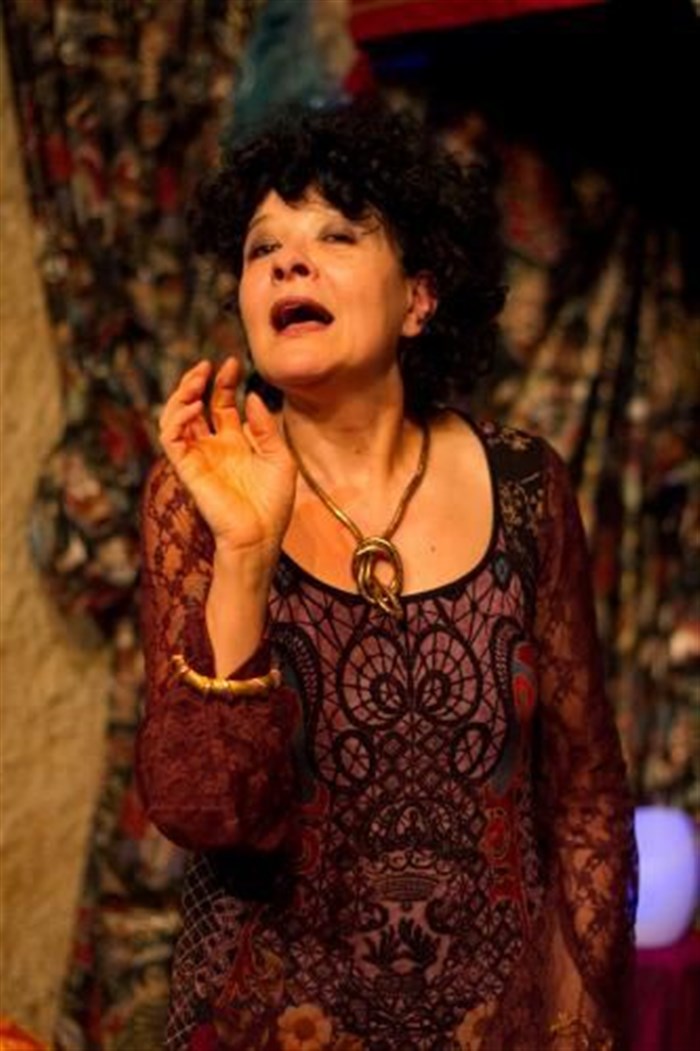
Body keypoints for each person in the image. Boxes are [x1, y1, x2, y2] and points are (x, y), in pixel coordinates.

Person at [136, 101, 637, 1051]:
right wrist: (243, 556)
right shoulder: (197, 495)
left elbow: (586, 802)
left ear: (418, 298)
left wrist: (575, 1026)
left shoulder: (526, 484)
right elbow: (207, 811)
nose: (289, 263)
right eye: (263, 247)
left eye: (335, 235)